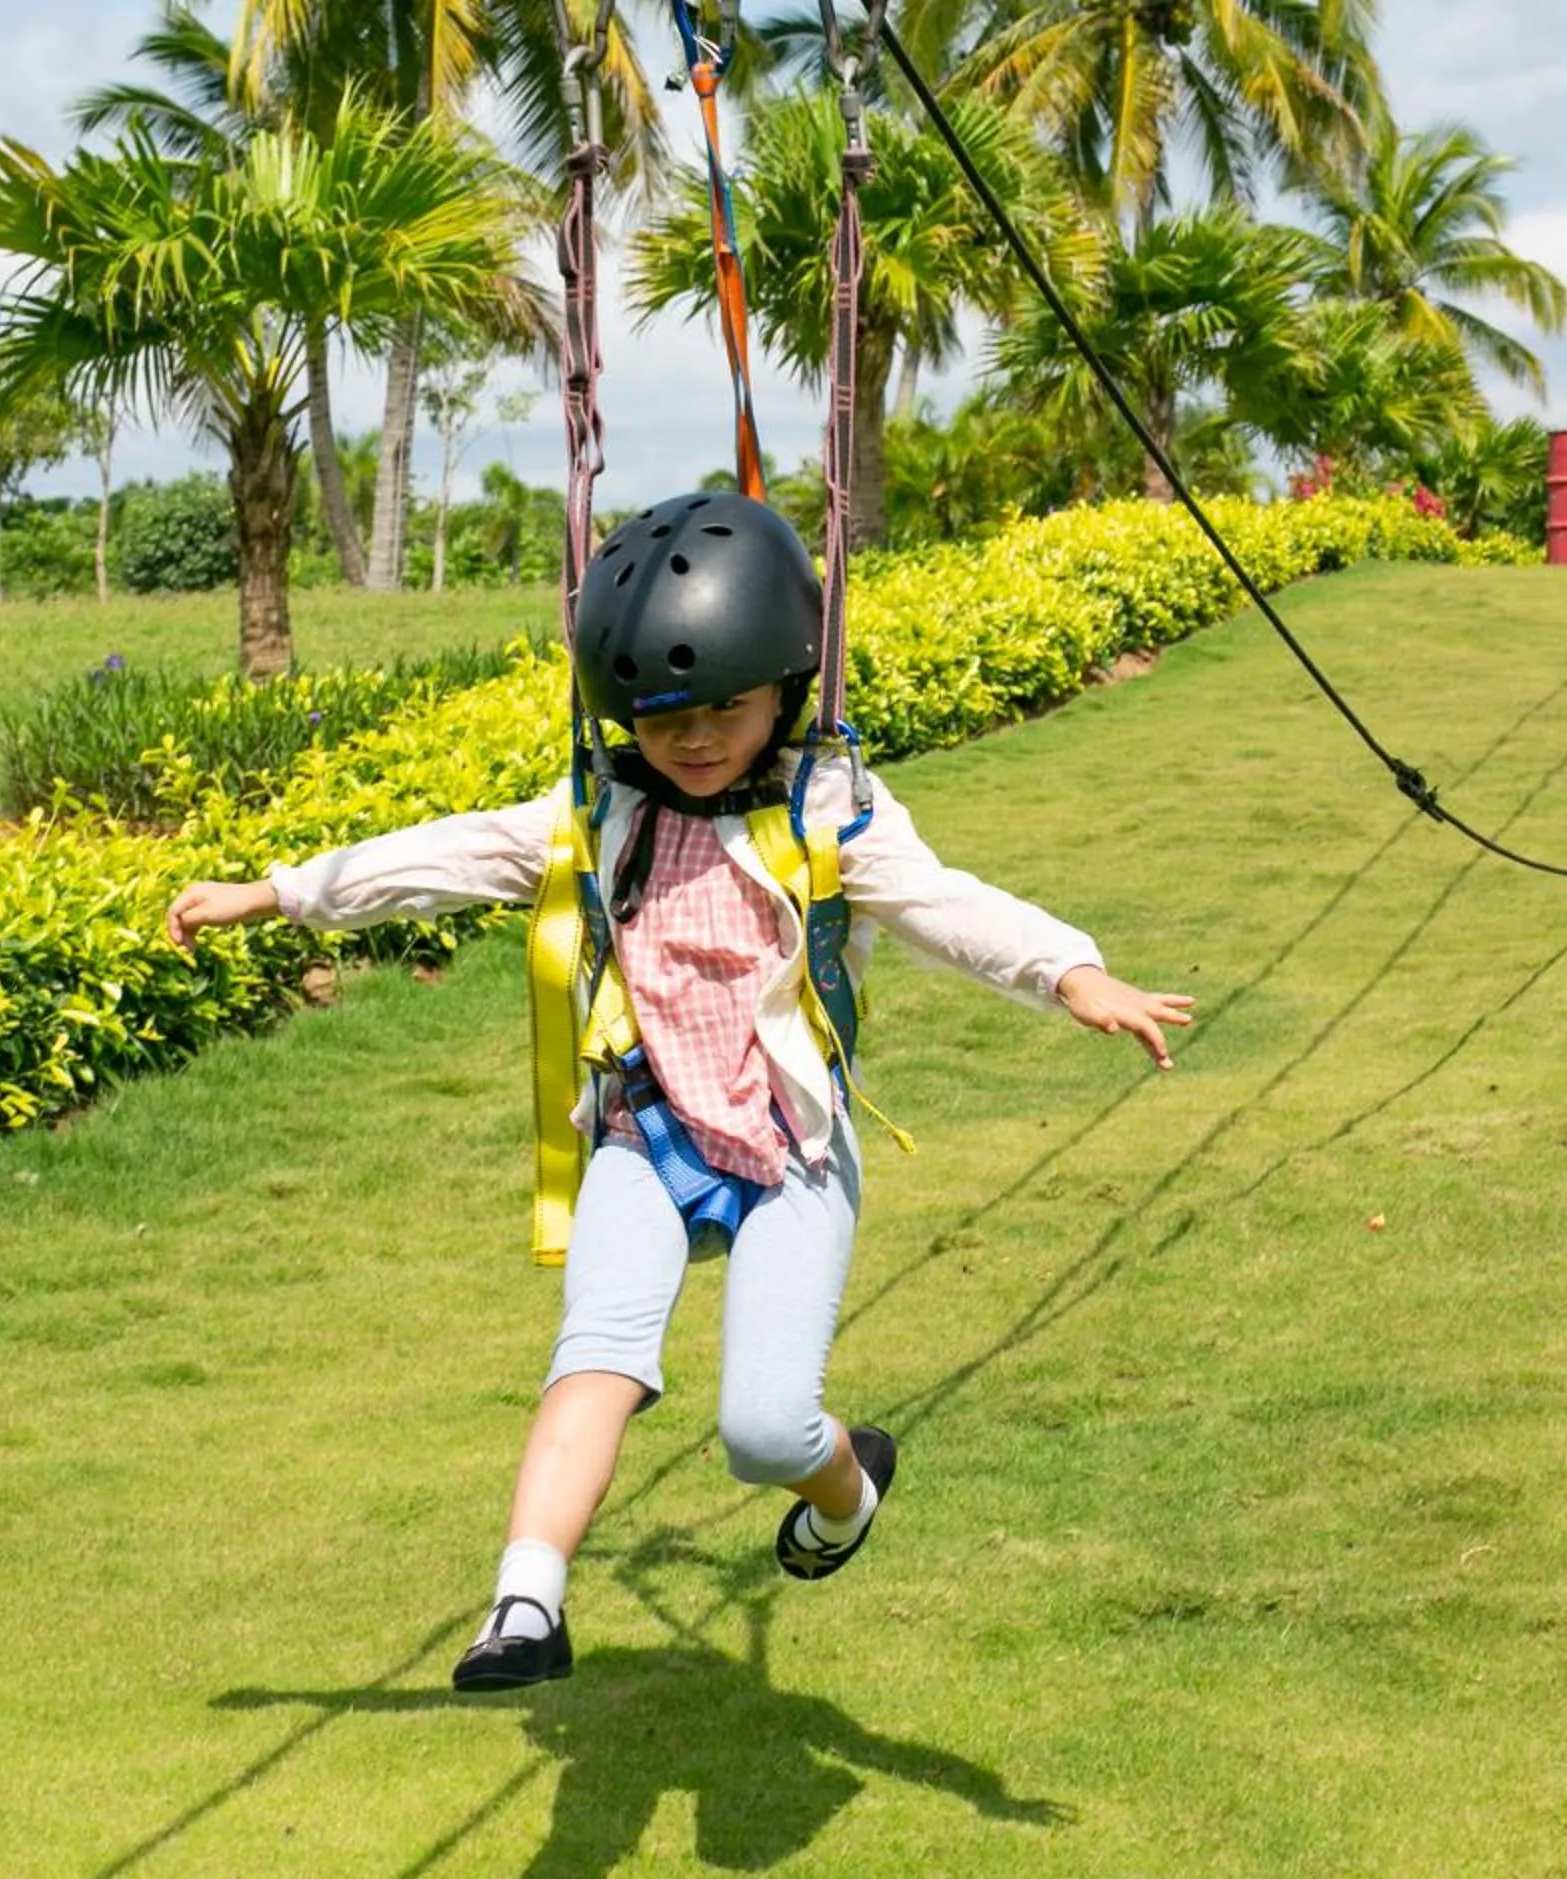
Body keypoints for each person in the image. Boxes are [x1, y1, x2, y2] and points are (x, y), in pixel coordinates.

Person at [166, 492, 1193, 1692]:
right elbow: (443, 854)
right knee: (594, 1351)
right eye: (662, 718)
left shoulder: (828, 814)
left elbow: (950, 906)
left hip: (790, 1147)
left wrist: (1069, 971)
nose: (694, 739)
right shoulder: (605, 811)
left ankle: (847, 1490)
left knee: (764, 1427)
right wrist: (280, 892)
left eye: (724, 710)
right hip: (644, 1134)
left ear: (783, 691)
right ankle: (525, 1605)